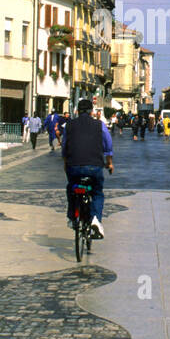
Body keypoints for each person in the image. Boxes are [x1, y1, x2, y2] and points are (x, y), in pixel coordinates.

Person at [63, 98, 114, 238]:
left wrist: (66, 164)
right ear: (92, 111)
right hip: (94, 167)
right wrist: (109, 163)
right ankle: (96, 220)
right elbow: (108, 146)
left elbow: (64, 147)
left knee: (71, 188)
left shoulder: (69, 125)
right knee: (97, 192)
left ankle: (73, 217)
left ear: (77, 111)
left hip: (73, 166)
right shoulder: (100, 125)